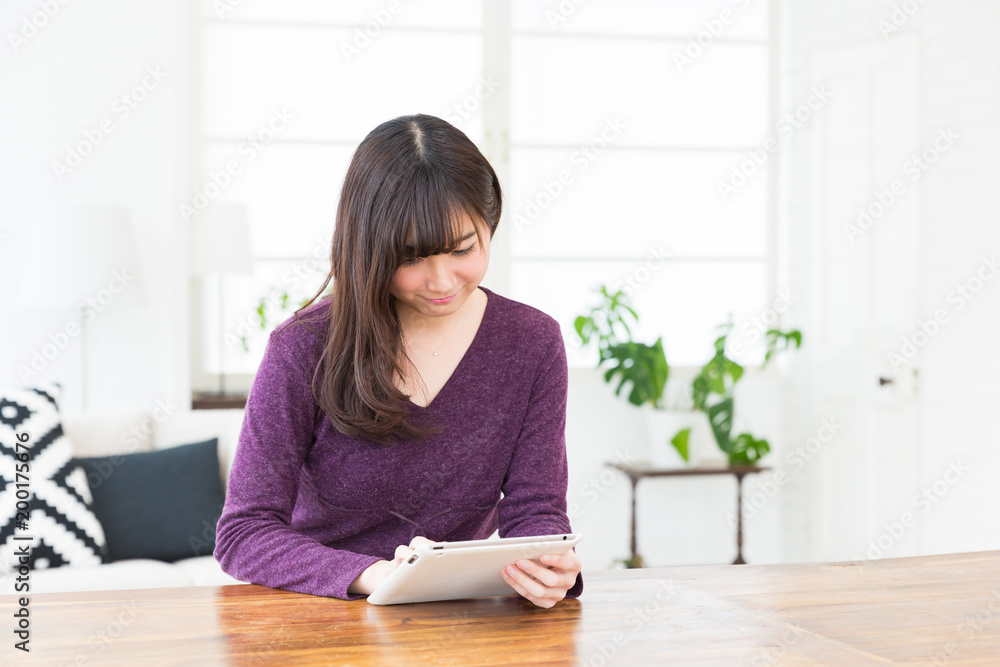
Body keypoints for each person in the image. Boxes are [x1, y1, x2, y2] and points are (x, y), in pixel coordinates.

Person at [213, 113, 583, 608]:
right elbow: (244, 533)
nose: (442, 281)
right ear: (367, 248)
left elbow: (536, 510)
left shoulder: (532, 342)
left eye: (462, 249)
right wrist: (376, 574)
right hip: (319, 614)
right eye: (410, 258)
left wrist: (548, 564)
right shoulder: (304, 348)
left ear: (490, 224)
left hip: (450, 619)